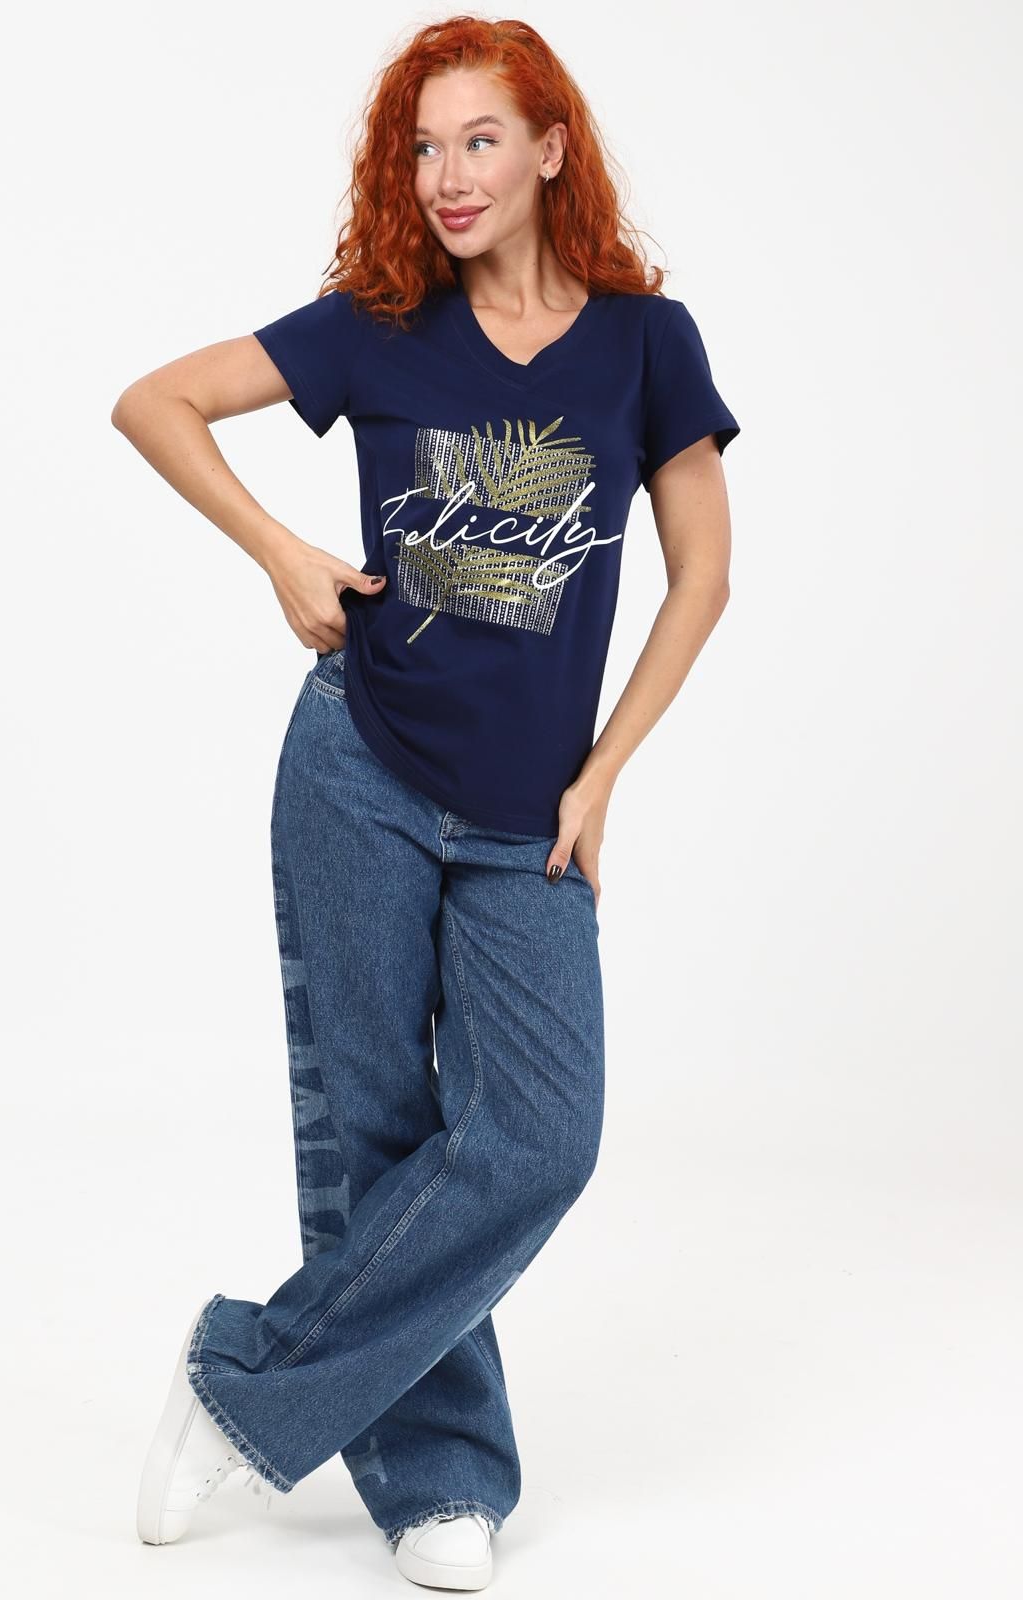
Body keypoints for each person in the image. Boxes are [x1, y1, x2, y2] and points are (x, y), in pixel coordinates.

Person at [112, 15, 739, 1591]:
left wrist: (605, 772)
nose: (448, 175)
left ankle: (242, 1380)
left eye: (479, 140)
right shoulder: (376, 325)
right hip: (361, 771)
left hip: (534, 815)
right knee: (378, 1130)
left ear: (549, 151)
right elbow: (155, 402)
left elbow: (704, 575)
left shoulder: (645, 344)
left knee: (539, 1137)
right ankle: (439, 1476)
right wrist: (281, 552)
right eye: (423, 148)